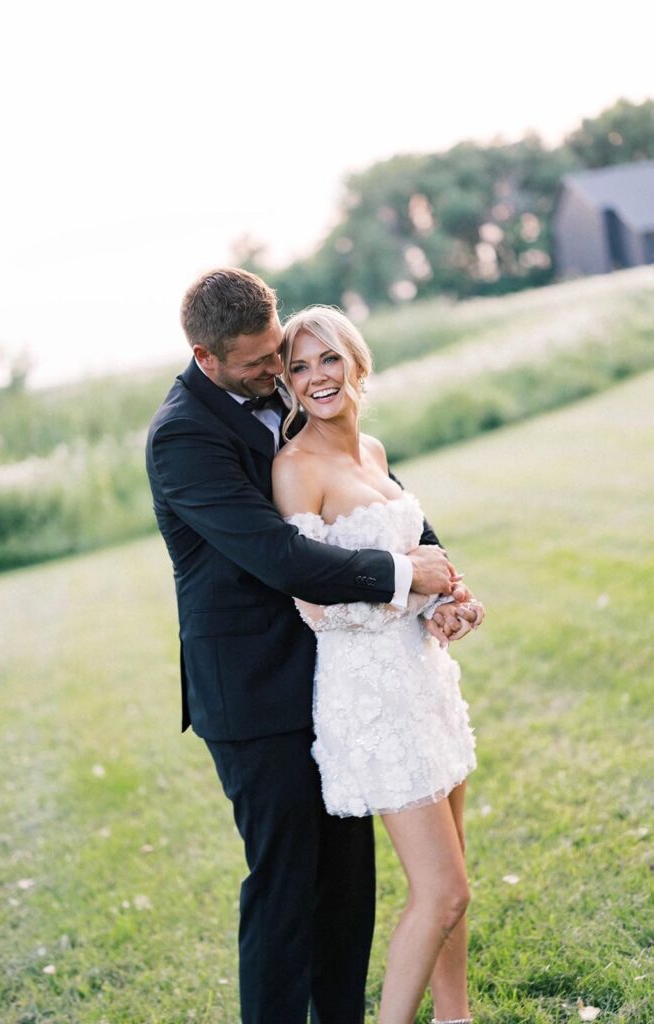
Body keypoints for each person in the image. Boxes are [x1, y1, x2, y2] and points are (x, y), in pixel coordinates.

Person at [145, 268, 480, 1024]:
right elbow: (280, 559)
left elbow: (388, 506)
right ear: (206, 358)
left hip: (337, 679)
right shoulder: (182, 437)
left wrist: (444, 585)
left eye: (282, 354)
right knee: (284, 887)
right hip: (254, 690)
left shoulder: (305, 414)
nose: (278, 376)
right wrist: (403, 575)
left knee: (346, 886)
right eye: (264, 365)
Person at [272, 305, 482, 1024]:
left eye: (326, 359)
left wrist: (445, 604)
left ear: (356, 363)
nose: (315, 378)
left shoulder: (375, 453)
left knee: (456, 885)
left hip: (424, 679)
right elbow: (317, 607)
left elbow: (416, 566)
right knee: (441, 892)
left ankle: (455, 1018)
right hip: (371, 698)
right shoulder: (294, 470)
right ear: (288, 384)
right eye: (298, 367)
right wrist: (409, 585)